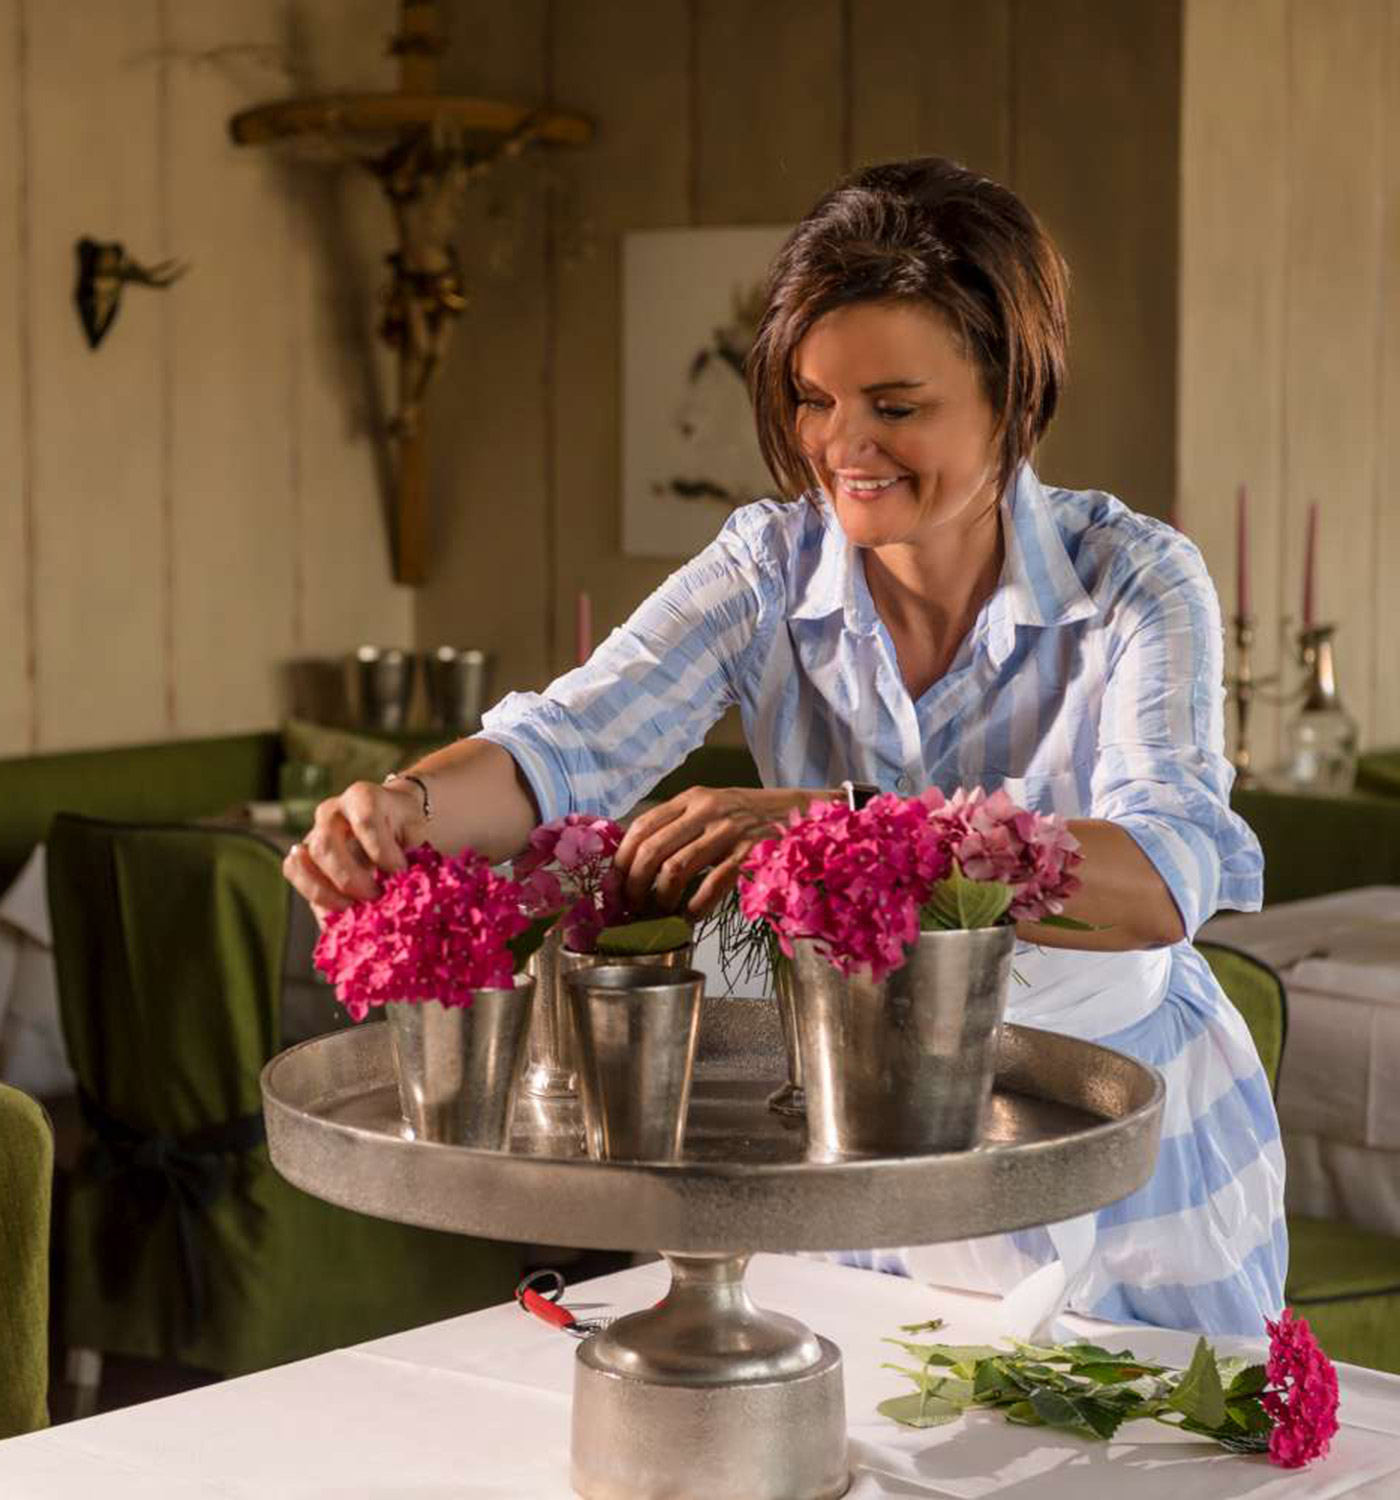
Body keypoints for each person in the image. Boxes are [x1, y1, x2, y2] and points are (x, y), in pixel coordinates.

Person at [285, 157, 1283, 1336]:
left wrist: (852, 832)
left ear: (1013, 395)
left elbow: (1163, 876)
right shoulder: (764, 570)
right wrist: (401, 808)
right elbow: (562, 746)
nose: (840, 446)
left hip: (1114, 1148)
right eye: (812, 400)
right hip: (855, 1136)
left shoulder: (1134, 581)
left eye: (894, 407)